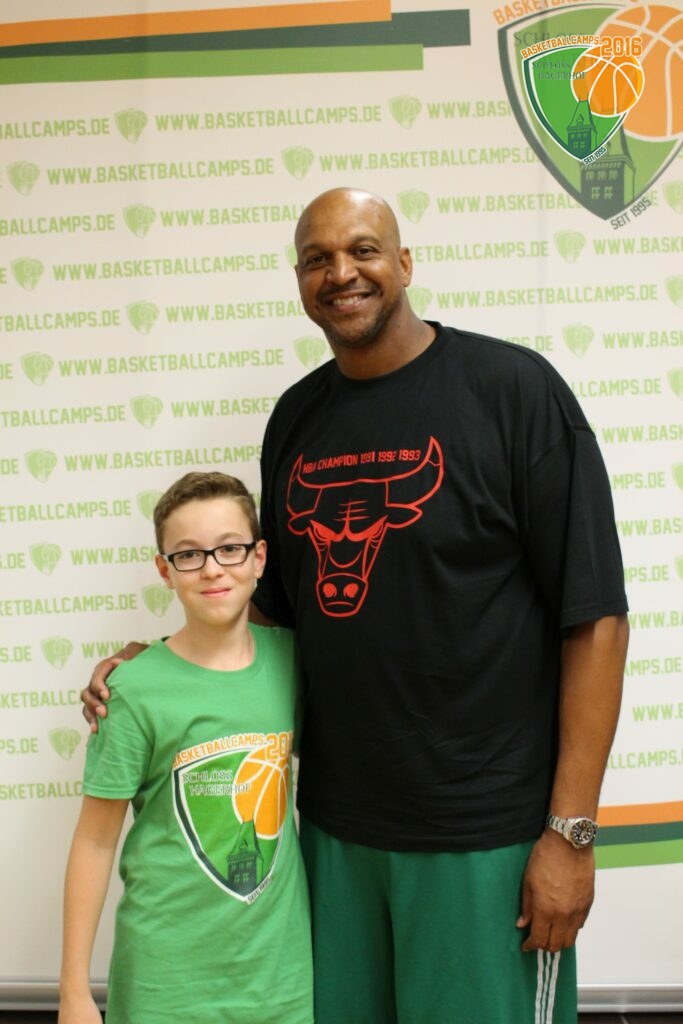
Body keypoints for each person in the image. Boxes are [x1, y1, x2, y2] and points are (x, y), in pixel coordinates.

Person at [83, 188, 629, 1024]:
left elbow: (594, 618)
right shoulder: (296, 419)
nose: (341, 273)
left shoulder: (513, 391)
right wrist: (155, 666)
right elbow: (275, 614)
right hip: (334, 835)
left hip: (483, 833)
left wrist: (571, 834)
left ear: (403, 263)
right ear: (300, 280)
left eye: (363, 250)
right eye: (317, 258)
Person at [61, 472, 313, 1024]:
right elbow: (95, 841)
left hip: (280, 982)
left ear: (259, 558)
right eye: (189, 555)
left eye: (229, 548)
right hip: (165, 986)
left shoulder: (295, 660)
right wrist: (74, 992)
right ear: (164, 571)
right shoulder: (132, 689)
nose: (213, 568)